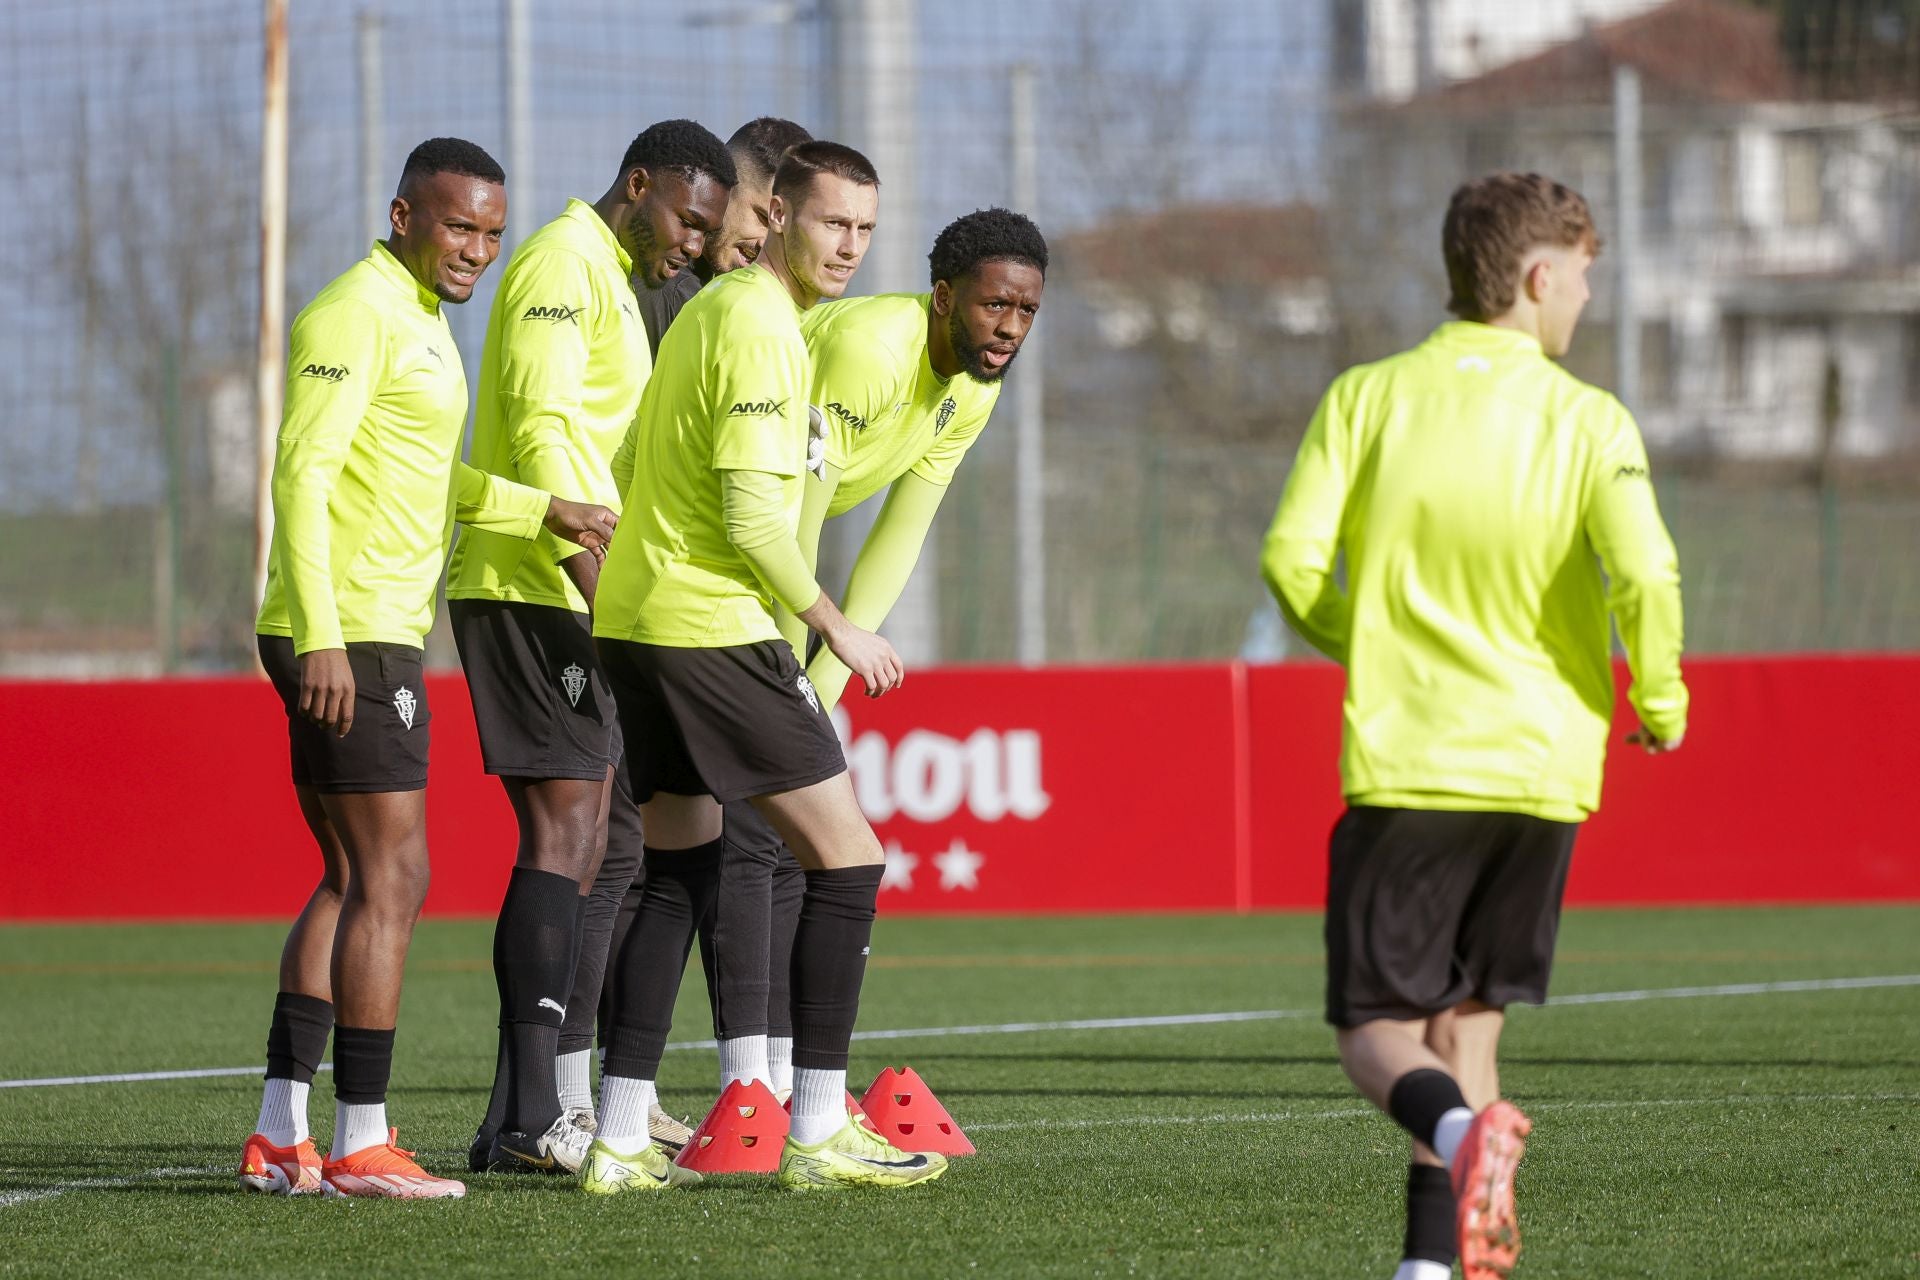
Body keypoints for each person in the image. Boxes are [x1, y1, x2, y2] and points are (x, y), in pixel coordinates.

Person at [1260, 171, 1689, 1279]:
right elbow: (1645, 566)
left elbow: (1291, 560)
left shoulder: (1368, 396)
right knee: (1469, 1032)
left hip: (1415, 761)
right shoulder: (1592, 418)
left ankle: (1459, 1138)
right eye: (1586, 276)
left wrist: (1372, 637)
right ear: (1539, 276)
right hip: (1546, 772)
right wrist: (1660, 697)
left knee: (1374, 1030)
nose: (1588, 298)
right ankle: (1433, 1266)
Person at [238, 138, 618, 1199]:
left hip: (363, 628)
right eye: (461, 227)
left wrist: (541, 506)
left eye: (494, 232)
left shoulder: (418, 321)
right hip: (347, 630)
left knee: (354, 876)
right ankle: (362, 1138)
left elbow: (419, 469)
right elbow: (302, 471)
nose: (480, 250)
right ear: (404, 216)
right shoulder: (353, 310)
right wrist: (318, 628)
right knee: (396, 875)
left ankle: (282, 1130)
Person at [581, 141, 946, 1195]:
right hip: (709, 627)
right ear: (777, 212)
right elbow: (751, 515)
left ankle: (615, 1140)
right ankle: (821, 1125)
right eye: (834, 223)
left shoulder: (714, 309)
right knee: (849, 858)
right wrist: (832, 621)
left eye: (866, 230)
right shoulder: (759, 325)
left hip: (637, 622)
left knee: (677, 873)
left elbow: (638, 458)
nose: (850, 247)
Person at [446, 119, 735, 1177]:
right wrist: (602, 593)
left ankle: (526, 1112)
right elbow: (539, 427)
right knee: (570, 833)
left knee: (597, 839)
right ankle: (533, 1117)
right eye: (689, 221)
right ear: (639, 184)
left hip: (563, 585)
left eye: (709, 232)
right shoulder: (562, 264)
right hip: (535, 582)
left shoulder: (607, 271)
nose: (695, 246)